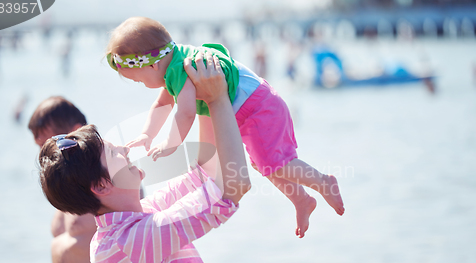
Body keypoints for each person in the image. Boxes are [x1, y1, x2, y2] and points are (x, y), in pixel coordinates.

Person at [37, 52, 251, 263]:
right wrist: (219, 99)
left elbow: (204, 173)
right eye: (114, 153)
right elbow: (233, 188)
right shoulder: (128, 242)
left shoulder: (133, 221)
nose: (126, 150)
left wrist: (201, 97)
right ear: (102, 185)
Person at [105, 17, 344, 239]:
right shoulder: (174, 63)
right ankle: (301, 199)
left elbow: (186, 111)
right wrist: (147, 134)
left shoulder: (181, 69)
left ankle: (323, 182)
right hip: (252, 108)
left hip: (259, 108)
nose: (141, 85)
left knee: (274, 163)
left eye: (139, 80)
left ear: (152, 66)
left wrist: (171, 143)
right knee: (264, 163)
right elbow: (163, 103)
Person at [26, 97, 128, 263]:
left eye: (50, 144)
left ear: (75, 132)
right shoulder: (67, 192)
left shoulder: (107, 180)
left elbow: (135, 247)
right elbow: (64, 261)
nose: (46, 156)